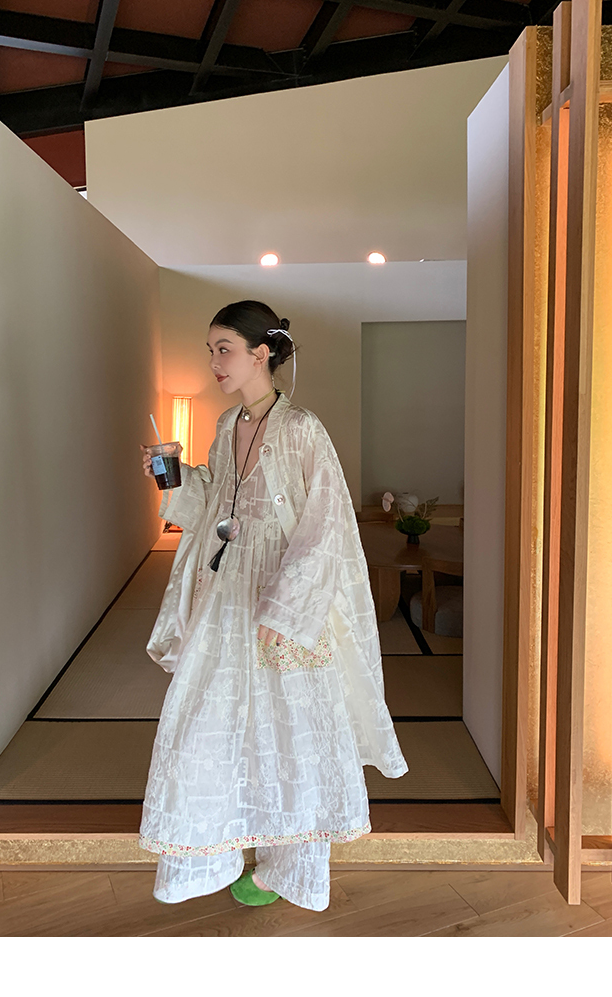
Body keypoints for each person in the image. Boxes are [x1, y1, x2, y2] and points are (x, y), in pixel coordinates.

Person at [138, 300, 407, 912]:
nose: (214, 362)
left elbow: (326, 524)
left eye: (224, 349)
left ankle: (287, 870)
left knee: (292, 728)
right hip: (228, 589)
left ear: (261, 353)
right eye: (210, 350)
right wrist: (170, 475)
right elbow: (215, 504)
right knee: (208, 715)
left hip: (285, 598)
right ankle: (210, 853)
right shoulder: (225, 424)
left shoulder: (302, 427)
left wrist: (287, 610)